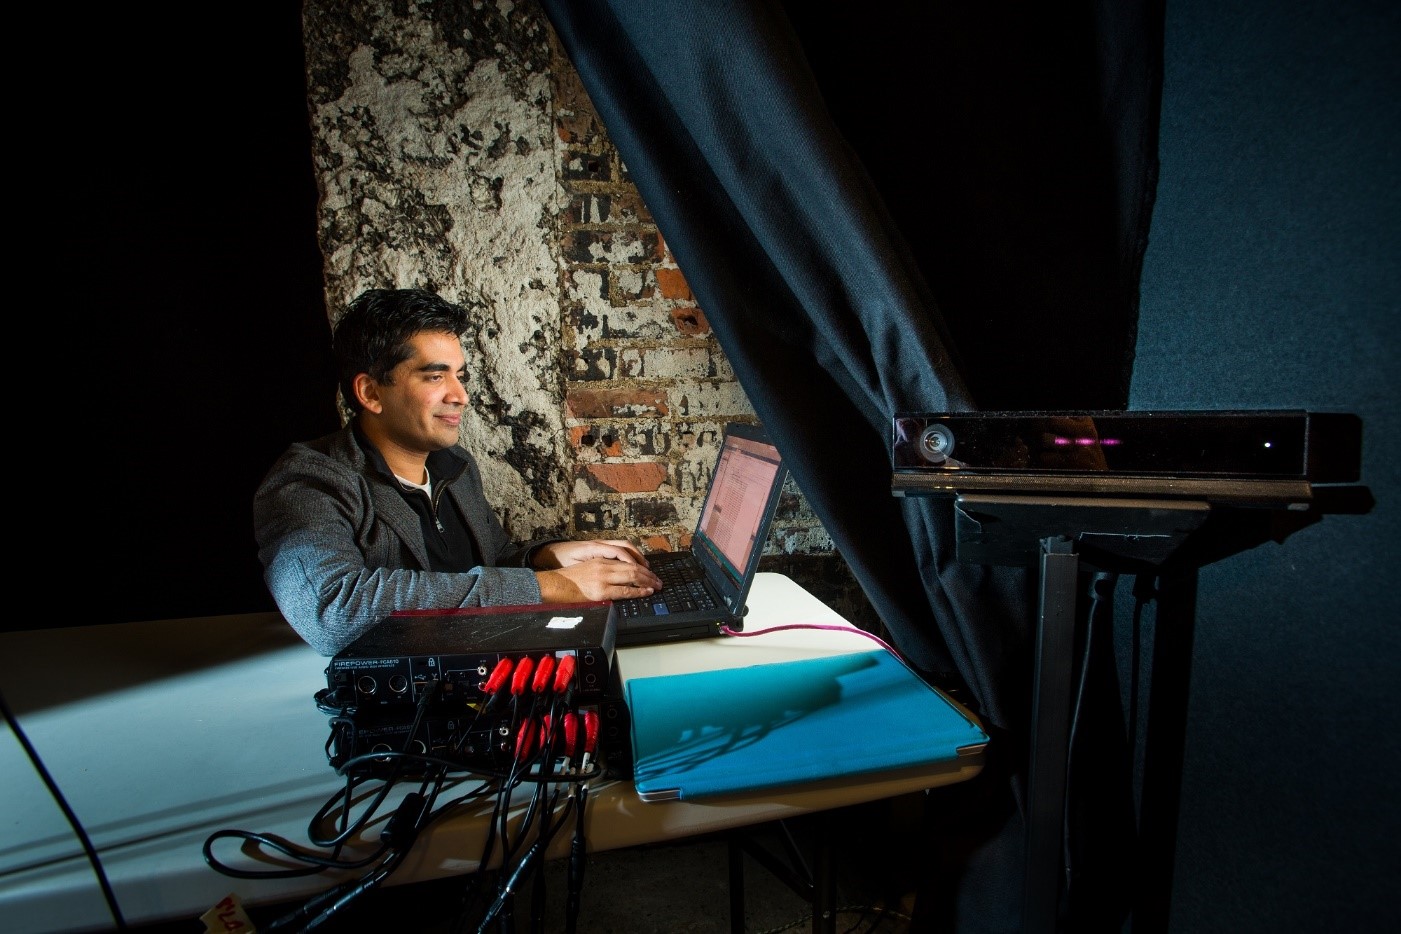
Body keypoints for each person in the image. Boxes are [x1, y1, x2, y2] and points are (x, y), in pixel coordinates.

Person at [254, 287, 662, 656]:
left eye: (459, 376)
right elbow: (334, 609)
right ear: (371, 392)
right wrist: (555, 587)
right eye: (435, 376)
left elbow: (493, 559)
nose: (460, 396)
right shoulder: (309, 483)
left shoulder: (455, 467)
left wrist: (550, 557)